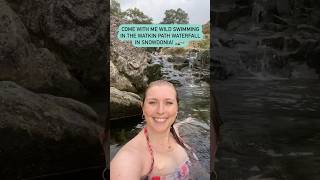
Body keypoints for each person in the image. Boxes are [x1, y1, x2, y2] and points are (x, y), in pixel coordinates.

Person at [111, 80, 199, 180]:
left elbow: (175, 126)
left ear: (177, 108)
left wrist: (187, 121)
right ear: (143, 107)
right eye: (152, 102)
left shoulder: (173, 132)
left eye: (169, 103)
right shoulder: (127, 160)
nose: (160, 111)